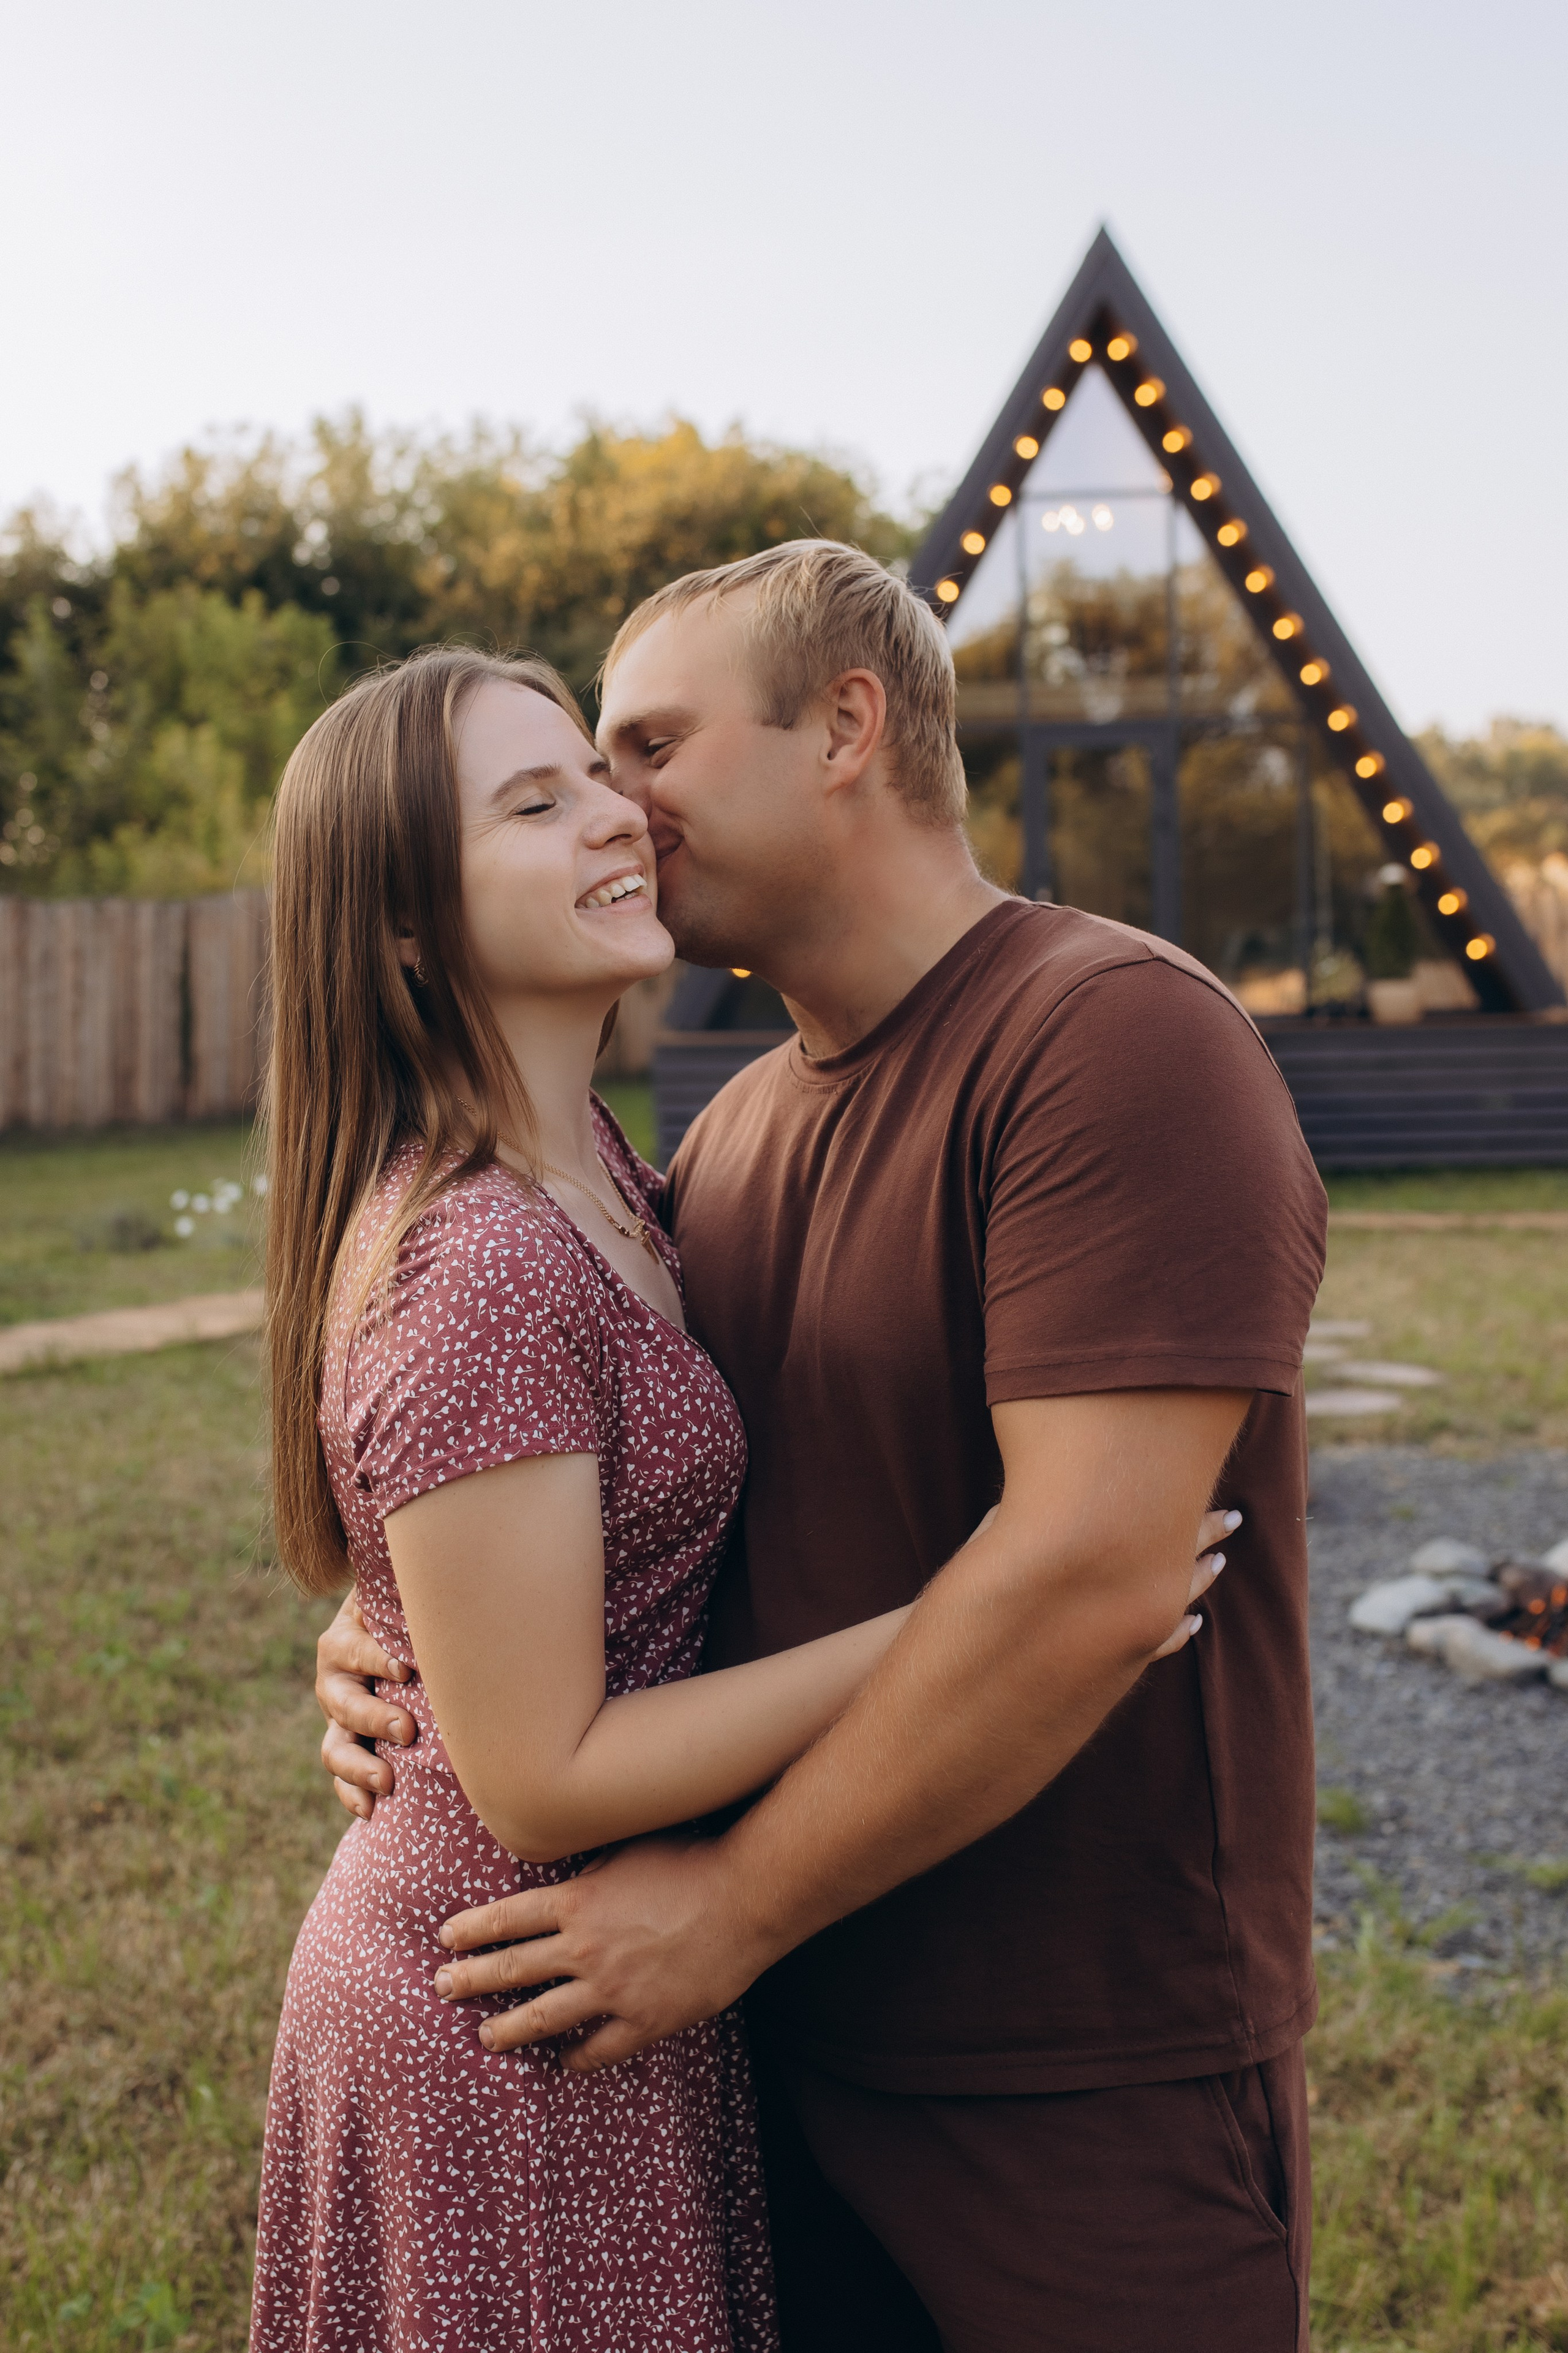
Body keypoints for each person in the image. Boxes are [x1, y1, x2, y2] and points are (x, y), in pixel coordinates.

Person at [316, 545, 1328, 2352]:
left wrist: (727, 1911)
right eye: (577, 775)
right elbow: (576, 1473)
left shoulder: (1112, 1040)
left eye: (650, 746)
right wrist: (394, 1636)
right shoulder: (717, 1145)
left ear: (846, 727)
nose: (623, 807)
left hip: (1072, 2057)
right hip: (773, 2047)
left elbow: (1097, 1579)